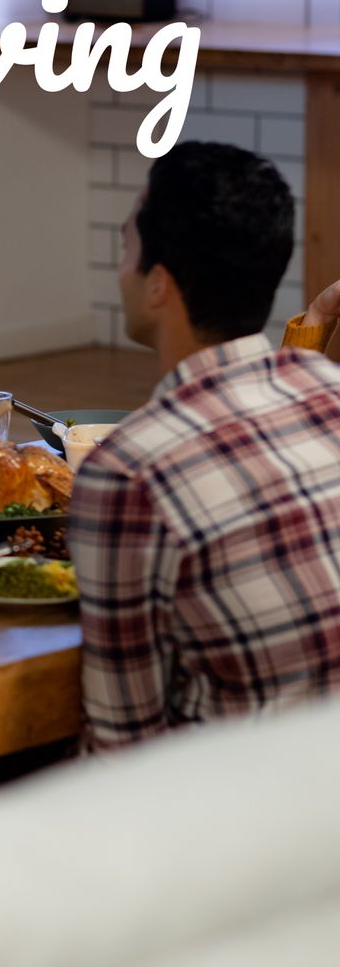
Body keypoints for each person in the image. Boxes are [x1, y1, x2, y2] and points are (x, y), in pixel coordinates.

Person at [68, 141, 340, 752]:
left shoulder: (128, 471)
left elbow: (123, 750)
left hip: (243, 822)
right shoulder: (332, 392)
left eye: (127, 248)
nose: (122, 268)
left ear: (159, 284)